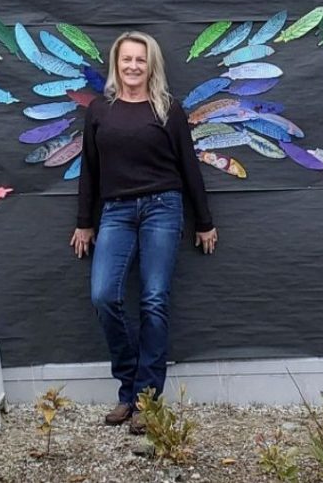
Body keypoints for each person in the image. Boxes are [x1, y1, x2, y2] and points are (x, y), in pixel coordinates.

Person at [70, 31, 218, 435]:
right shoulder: (99, 110)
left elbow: (189, 167)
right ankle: (129, 385)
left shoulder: (168, 109)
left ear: (151, 65)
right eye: (127, 59)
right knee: (104, 296)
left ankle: (145, 399)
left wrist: (204, 221)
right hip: (115, 212)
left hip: (162, 209)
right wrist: (84, 221)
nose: (133, 66)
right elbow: (89, 170)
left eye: (141, 59)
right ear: (116, 64)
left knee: (154, 300)